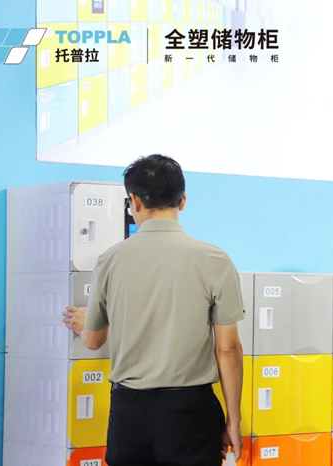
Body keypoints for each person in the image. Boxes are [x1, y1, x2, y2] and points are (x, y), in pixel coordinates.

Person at [62, 154, 245, 466]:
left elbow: (93, 340)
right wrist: (234, 421)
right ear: (182, 201)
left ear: (134, 201)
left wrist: (82, 323)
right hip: (190, 411)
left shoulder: (110, 259)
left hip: (129, 412)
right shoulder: (215, 259)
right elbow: (227, 350)